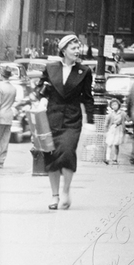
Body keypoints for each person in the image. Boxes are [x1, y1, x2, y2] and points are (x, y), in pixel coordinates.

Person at [37, 34, 94, 209]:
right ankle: (54, 196)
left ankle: (66, 191)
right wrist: (42, 98)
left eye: (78, 48)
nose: (77, 51)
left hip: (72, 119)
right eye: (73, 48)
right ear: (63, 50)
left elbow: (88, 98)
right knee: (51, 156)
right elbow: (41, 87)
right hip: (51, 118)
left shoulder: (84, 71)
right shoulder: (50, 67)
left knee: (68, 153)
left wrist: (91, 121)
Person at [0, 66, 18, 168]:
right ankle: (1, 161)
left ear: (1, 75)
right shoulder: (13, 88)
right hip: (9, 115)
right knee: (5, 139)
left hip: (0, 116)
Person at [104, 98, 126, 164]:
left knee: (116, 144)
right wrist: (106, 130)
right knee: (109, 143)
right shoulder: (110, 114)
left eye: (115, 104)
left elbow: (127, 119)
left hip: (118, 129)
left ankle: (115, 159)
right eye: (112, 105)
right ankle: (107, 158)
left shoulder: (122, 113)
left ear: (118, 105)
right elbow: (107, 122)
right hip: (112, 129)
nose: (114, 106)